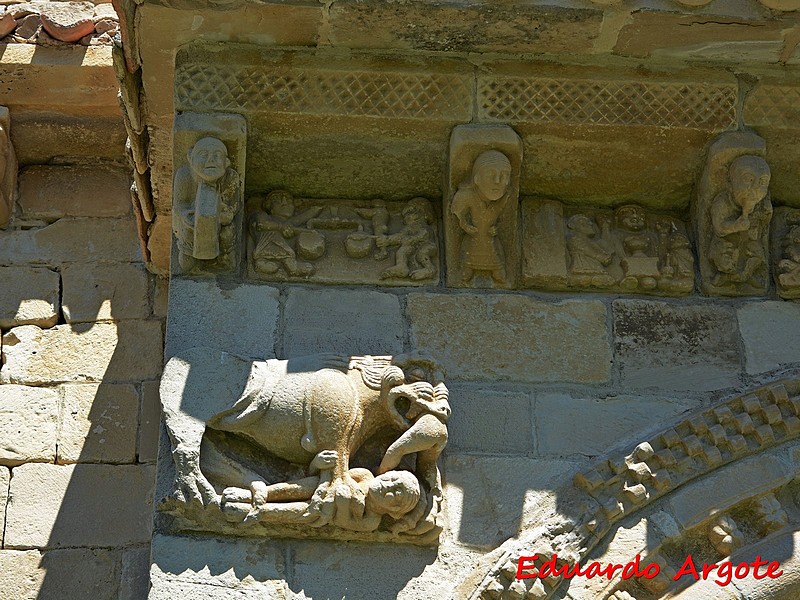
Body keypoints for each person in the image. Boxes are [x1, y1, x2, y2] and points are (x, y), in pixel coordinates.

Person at [220, 450, 421, 532]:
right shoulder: (365, 475)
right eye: (394, 479)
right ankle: (259, 494)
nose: (389, 485)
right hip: (321, 486)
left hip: (322, 511)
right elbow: (336, 476)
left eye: (397, 494)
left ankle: (259, 512)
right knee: (297, 487)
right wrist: (319, 465)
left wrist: (342, 504)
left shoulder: (372, 521)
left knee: (305, 512)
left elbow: (344, 522)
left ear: (394, 512)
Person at [173, 137, 240, 272]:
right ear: (191, 160)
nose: (210, 159)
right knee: (186, 258)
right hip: (191, 222)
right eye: (203, 155)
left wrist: (226, 213)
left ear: (226, 162)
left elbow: (234, 204)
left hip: (221, 222)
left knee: (227, 232)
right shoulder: (184, 175)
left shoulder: (231, 177)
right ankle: (188, 254)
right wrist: (186, 215)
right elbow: (180, 204)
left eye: (217, 155)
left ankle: (225, 256)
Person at [708, 155, 772, 289]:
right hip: (725, 243)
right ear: (729, 183)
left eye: (762, 182)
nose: (755, 188)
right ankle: (729, 276)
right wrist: (735, 226)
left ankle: (743, 276)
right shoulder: (722, 202)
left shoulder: (761, 204)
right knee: (726, 259)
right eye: (748, 179)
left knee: (758, 257)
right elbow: (719, 228)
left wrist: (764, 216)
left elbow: (762, 226)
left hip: (748, 242)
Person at [451, 150, 512, 285]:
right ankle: (466, 268)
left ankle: (496, 269)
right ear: (477, 179)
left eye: (503, 175)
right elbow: (457, 212)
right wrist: (465, 225)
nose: (497, 181)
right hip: (474, 236)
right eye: (491, 174)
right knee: (469, 256)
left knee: (496, 259)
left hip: (490, 238)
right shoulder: (466, 195)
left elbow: (502, 217)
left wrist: (497, 228)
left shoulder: (505, 199)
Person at [249, 190, 323, 276]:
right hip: (265, 243)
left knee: (287, 253)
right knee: (273, 235)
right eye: (277, 200)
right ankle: (261, 262)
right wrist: (281, 227)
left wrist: (315, 211)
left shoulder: (288, 222)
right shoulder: (261, 215)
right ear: (269, 206)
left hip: (283, 246)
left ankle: (291, 266)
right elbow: (262, 224)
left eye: (289, 200)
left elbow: (300, 219)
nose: (284, 203)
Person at [376, 197, 437, 280]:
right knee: (402, 250)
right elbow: (400, 236)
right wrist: (388, 239)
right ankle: (401, 267)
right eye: (405, 215)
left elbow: (424, 234)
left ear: (422, 213)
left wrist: (412, 239)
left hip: (427, 245)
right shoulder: (408, 228)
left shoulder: (423, 227)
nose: (405, 218)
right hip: (414, 245)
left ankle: (430, 270)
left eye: (410, 213)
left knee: (421, 254)